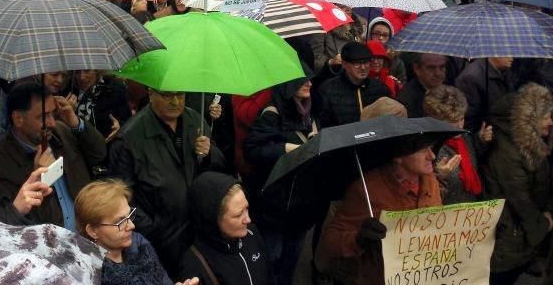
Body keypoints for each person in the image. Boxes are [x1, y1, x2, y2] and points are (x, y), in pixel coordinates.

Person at [109, 88, 225, 271]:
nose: (175, 102)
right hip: (160, 242)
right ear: (150, 93)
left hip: (199, 233)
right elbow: (121, 198)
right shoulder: (129, 138)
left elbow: (219, 171)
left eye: (180, 95)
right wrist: (154, 230)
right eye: (167, 95)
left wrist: (209, 154)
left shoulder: (195, 120)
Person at [316, 144, 442, 284]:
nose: (432, 155)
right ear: (398, 156)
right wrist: (358, 239)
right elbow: (329, 241)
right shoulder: (366, 189)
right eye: (423, 149)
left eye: (431, 148)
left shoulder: (431, 181)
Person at [0, 82, 106, 229]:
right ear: (18, 119)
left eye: (53, 113)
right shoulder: (0, 161)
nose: (52, 122)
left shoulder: (61, 131)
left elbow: (99, 154)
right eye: (43, 117)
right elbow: (19, 223)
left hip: (87, 232)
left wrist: (76, 123)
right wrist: (39, 180)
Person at [244, 71, 320, 283]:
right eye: (302, 79)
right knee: (272, 259)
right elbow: (252, 149)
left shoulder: (309, 112)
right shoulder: (272, 113)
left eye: (309, 79)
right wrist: (287, 148)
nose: (309, 83)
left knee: (291, 260)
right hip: (275, 205)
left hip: (302, 204)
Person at [485, 84, 553, 285]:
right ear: (530, 119)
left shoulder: (530, 143)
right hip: (507, 238)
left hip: (520, 236)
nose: (551, 122)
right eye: (547, 116)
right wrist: (544, 224)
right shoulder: (508, 152)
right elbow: (520, 199)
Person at [75, 179, 198, 285]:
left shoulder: (139, 243)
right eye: (120, 221)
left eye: (129, 216)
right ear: (92, 231)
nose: (132, 226)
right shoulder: (86, 275)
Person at [177, 172, 269, 285]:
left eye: (247, 208)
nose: (248, 219)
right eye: (238, 215)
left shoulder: (251, 233)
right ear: (213, 219)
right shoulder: (194, 265)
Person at [423, 85, 483, 204]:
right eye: (452, 122)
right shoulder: (427, 148)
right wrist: (438, 175)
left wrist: (480, 141)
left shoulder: (465, 138)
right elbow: (423, 193)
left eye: (461, 119)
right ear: (436, 122)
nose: (460, 126)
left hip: (470, 211)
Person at [318, 42, 391, 127]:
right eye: (357, 63)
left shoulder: (380, 88)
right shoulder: (328, 90)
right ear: (344, 64)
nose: (363, 67)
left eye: (366, 62)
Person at [455, 57, 517, 131]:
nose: (511, 58)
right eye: (507, 52)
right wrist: (479, 137)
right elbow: (469, 120)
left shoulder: (506, 71)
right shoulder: (471, 77)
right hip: (484, 135)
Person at [72, 70, 131, 140]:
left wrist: (119, 127)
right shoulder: (70, 92)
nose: (81, 77)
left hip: (107, 143)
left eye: (87, 71)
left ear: (97, 71)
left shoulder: (114, 89)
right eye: (77, 72)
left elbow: (128, 121)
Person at [396, 53, 448, 118]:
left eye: (442, 67)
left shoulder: (449, 90)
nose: (438, 73)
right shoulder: (407, 100)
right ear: (417, 69)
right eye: (431, 68)